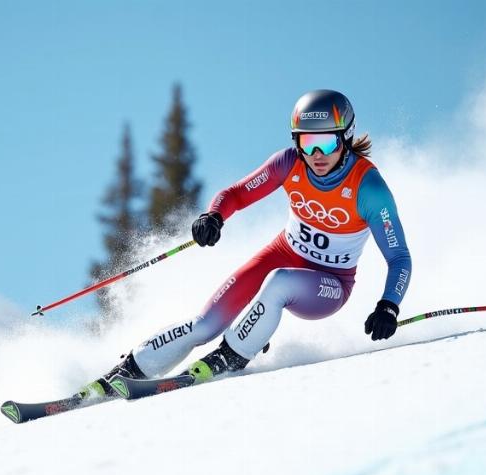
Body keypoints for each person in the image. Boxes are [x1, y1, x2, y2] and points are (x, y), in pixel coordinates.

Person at [80, 89, 412, 398]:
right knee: (204, 324)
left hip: (330, 284)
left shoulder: (369, 188)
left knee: (279, 283)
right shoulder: (289, 163)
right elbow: (236, 194)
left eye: (326, 144)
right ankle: (129, 369)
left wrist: (388, 305)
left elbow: (399, 257)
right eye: (307, 142)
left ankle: (232, 354)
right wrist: (213, 216)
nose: (315, 154)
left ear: (346, 138)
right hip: (281, 254)